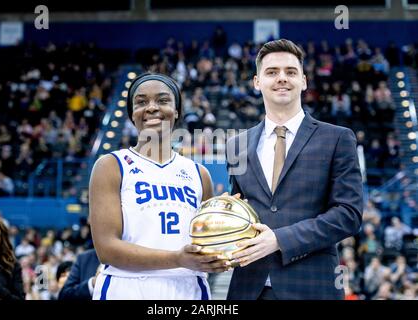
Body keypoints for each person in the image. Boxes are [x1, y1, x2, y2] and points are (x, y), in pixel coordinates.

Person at [225, 39, 363, 300]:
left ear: (304, 81)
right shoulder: (237, 145)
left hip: (311, 287)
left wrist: (279, 239)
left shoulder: (337, 138)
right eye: (272, 72)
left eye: (290, 72)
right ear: (257, 82)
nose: (282, 78)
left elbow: (349, 214)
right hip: (248, 289)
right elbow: (240, 212)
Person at [89, 73, 229, 300]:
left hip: (188, 287)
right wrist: (176, 259)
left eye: (162, 100)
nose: (151, 108)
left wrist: (230, 232)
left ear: (176, 111)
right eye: (141, 102)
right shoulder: (111, 165)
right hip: (127, 287)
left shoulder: (199, 174)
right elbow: (107, 248)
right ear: (132, 115)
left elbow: (207, 243)